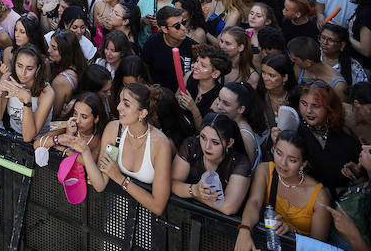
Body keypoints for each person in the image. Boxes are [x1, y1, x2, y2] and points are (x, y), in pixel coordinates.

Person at [233, 131, 333, 251]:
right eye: (279, 153)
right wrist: (245, 230)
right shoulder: (265, 171)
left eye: (292, 160)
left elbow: (318, 247)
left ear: (303, 164)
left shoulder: (319, 195)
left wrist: (292, 232)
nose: (282, 163)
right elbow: (254, 202)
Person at [79, 82, 175, 216]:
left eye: (126, 104)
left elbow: (158, 207)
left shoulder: (160, 144)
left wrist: (120, 179)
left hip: (148, 223)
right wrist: (84, 151)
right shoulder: (114, 130)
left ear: (142, 113)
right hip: (115, 216)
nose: (118, 107)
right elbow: (100, 184)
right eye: (120, 101)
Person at [170, 112, 252, 216]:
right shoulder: (192, 146)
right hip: (186, 215)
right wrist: (194, 190)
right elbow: (171, 183)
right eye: (203, 137)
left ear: (229, 143)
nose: (207, 146)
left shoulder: (240, 162)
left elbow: (229, 207)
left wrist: (191, 192)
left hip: (220, 225)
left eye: (215, 142)